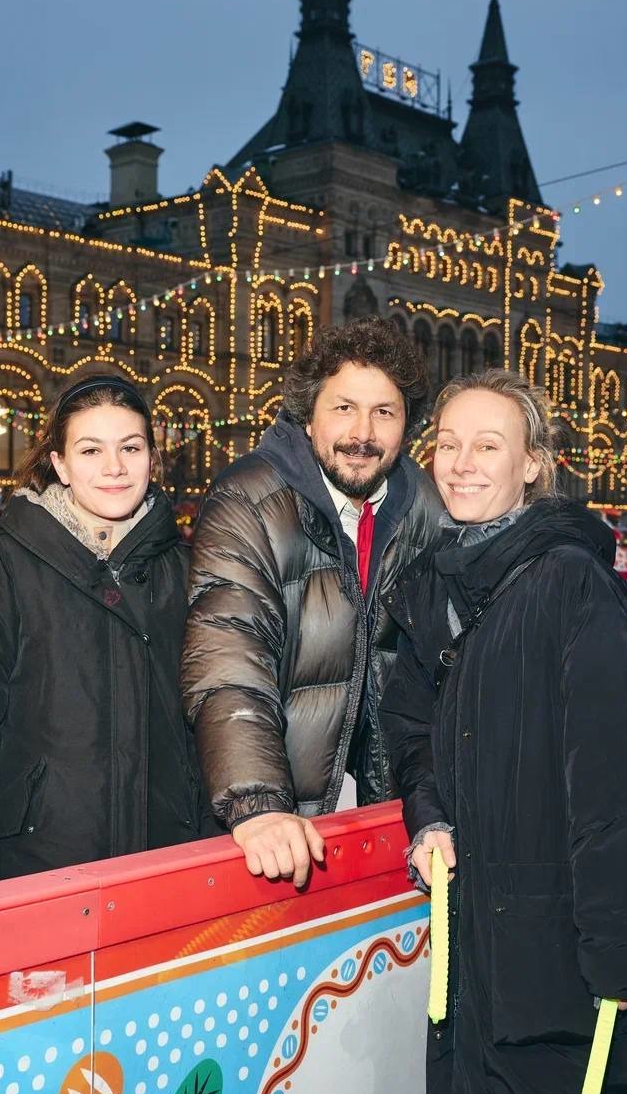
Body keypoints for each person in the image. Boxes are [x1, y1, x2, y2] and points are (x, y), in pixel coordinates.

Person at [381, 369, 627, 1094]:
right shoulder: (438, 584)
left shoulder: (570, 583)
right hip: (488, 945)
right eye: (448, 444)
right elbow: (409, 725)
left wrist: (618, 960)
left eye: (488, 446)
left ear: (533, 464)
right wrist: (428, 815)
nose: (461, 463)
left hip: (566, 966)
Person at [0, 374, 212, 893]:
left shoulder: (189, 572)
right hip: (38, 872)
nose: (114, 467)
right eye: (90, 449)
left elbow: (214, 724)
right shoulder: (3, 569)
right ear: (60, 464)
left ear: (152, 457)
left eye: (130, 447)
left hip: (169, 865)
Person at [181, 316, 441, 887]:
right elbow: (229, 656)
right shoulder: (249, 498)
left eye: (384, 412)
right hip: (275, 822)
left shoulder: (425, 504)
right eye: (344, 408)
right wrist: (258, 803)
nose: (362, 433)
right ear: (308, 413)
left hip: (390, 821)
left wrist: (433, 805)